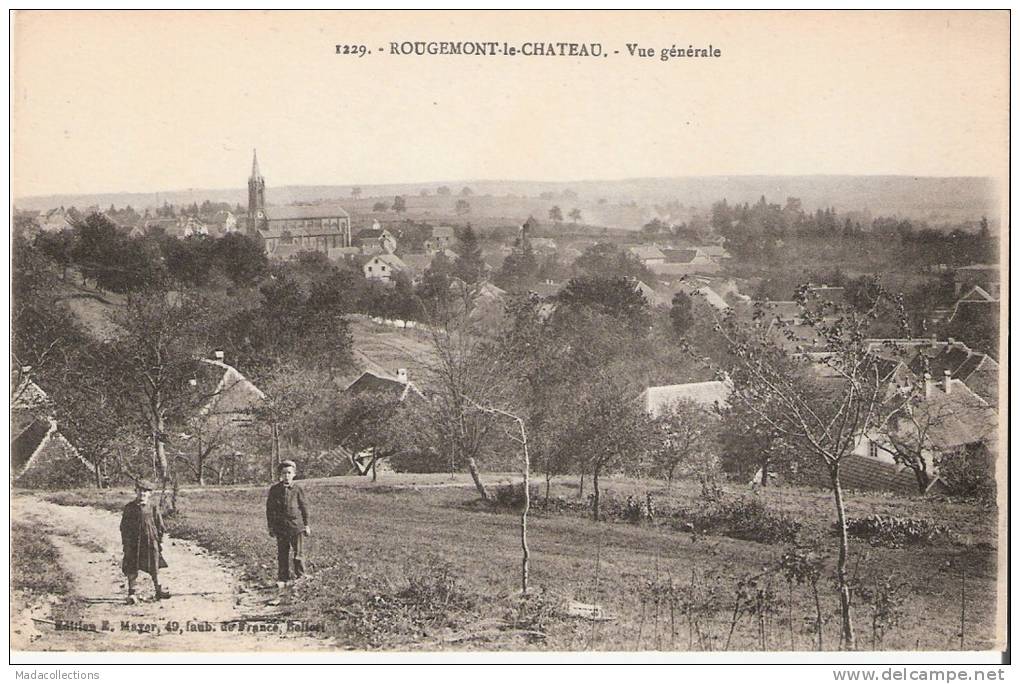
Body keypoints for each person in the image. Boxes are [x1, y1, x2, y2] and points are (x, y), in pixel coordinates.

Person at [120, 479, 170, 604]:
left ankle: (158, 590)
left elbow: (159, 525)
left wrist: (158, 539)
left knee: (154, 563)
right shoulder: (129, 508)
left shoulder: (153, 507)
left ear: (150, 493)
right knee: (132, 565)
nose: (142, 494)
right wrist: (126, 543)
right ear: (136, 491)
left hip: (150, 540)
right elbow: (124, 527)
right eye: (140, 491)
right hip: (133, 542)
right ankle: (132, 593)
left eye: (146, 491)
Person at [266, 460, 311, 588]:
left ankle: (300, 576)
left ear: (294, 474)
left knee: (298, 553)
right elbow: (270, 510)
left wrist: (306, 525)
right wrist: (271, 527)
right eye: (284, 473)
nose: (286, 475)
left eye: (289, 473)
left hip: (296, 527)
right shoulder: (274, 490)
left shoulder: (297, 489)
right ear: (280, 474)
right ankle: (283, 578)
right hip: (281, 528)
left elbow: (304, 508)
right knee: (282, 554)